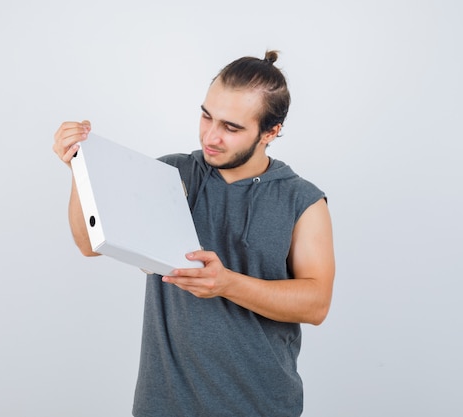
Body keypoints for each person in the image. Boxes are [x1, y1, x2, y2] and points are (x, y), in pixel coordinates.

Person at [53, 50, 335, 417]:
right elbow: (89, 245)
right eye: (206, 116)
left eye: (231, 127)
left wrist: (226, 283)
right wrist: (79, 165)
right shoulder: (170, 175)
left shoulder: (303, 200)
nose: (211, 136)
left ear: (271, 131)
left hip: (261, 407)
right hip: (164, 406)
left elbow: (316, 304)